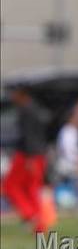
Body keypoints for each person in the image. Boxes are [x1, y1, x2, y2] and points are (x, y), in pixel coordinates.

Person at [3, 86, 50, 233]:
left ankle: (31, 215)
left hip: (27, 156)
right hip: (37, 155)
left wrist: (30, 158)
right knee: (31, 188)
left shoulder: (26, 110)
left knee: (10, 185)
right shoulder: (35, 109)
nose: (12, 97)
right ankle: (39, 223)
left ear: (22, 93)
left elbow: (29, 136)